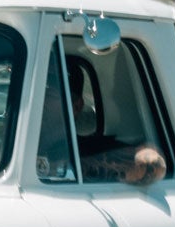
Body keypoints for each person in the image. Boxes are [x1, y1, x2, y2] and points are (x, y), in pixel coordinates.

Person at [66, 56, 167, 185]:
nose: (37, 103)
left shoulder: (97, 150)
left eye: (49, 95)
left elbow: (151, 163)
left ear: (77, 106)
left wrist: (144, 161)